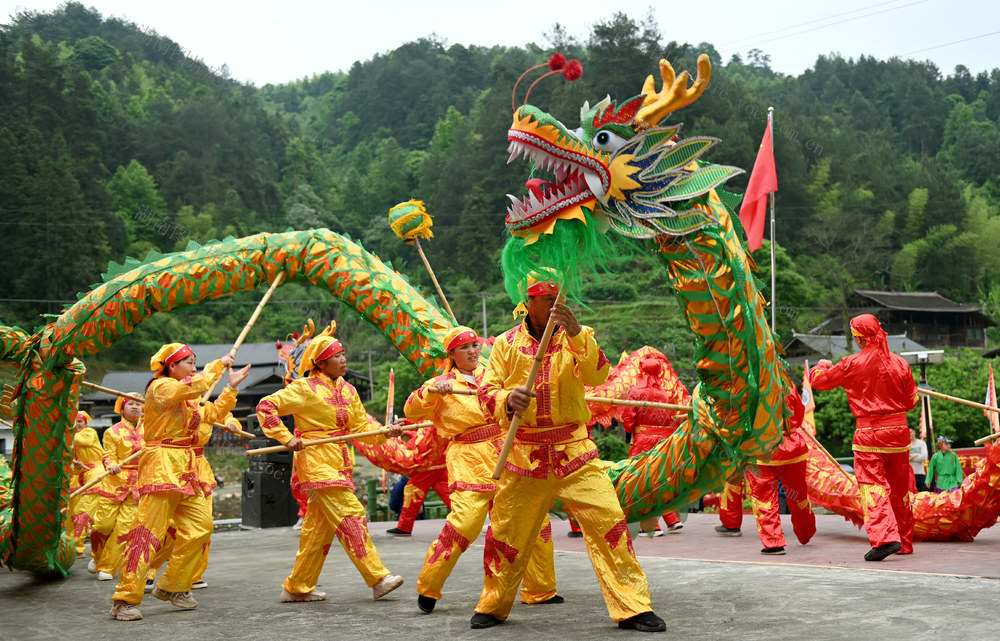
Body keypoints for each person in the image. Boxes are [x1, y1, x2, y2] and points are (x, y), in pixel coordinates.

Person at [473, 275, 665, 632]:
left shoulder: (579, 336)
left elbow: (598, 374)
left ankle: (633, 607)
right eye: (543, 297)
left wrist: (576, 333)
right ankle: (493, 604)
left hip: (575, 453)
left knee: (610, 523)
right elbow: (486, 390)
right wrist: (506, 399)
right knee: (505, 533)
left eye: (555, 295)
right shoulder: (505, 343)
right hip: (524, 455)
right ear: (528, 302)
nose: (551, 302)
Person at [404, 326, 559, 614]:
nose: (473, 351)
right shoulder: (440, 383)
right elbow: (411, 410)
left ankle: (540, 588)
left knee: (532, 516)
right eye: (464, 347)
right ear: (451, 354)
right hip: (469, 458)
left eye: (475, 345)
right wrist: (433, 392)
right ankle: (429, 585)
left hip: (505, 448)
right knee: (465, 523)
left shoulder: (491, 374)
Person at [256, 333, 405, 604]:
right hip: (315, 461)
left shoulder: (348, 389)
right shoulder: (304, 388)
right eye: (337, 355)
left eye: (343, 353)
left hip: (339, 461)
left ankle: (297, 587)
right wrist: (287, 437)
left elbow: (361, 427)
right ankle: (377, 578)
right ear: (321, 364)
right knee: (351, 514)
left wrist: (386, 431)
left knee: (317, 531)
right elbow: (266, 406)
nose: (344, 359)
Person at [109, 343, 249, 621]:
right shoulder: (161, 388)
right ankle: (124, 599)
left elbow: (210, 415)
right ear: (171, 366)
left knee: (201, 527)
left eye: (195, 362)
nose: (194, 367)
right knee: (147, 533)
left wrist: (231, 389)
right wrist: (218, 365)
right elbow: (197, 385)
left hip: (187, 469)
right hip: (162, 465)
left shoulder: (186, 398)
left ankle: (173, 586)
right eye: (189, 362)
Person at [810, 314, 918, 562]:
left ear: (859, 338)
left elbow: (819, 381)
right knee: (900, 490)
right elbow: (911, 402)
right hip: (898, 434)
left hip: (869, 434)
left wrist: (822, 365)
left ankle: (884, 538)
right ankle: (904, 541)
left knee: (873, 486)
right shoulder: (901, 364)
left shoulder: (850, 363)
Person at [746, 387, 816, 555]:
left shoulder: (751, 384)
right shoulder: (787, 384)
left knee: (763, 496)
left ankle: (773, 542)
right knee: (797, 493)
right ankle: (806, 532)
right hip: (792, 447)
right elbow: (799, 413)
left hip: (762, 448)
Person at [621, 358, 685, 536]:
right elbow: (670, 418)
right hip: (663, 441)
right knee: (660, 479)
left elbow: (627, 419)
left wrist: (630, 429)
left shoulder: (635, 392)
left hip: (643, 441)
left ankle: (651, 526)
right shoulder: (664, 394)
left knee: (642, 482)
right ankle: (672, 519)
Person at [89, 395, 144, 580]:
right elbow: (108, 455)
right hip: (115, 483)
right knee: (103, 526)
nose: (136, 407)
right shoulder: (112, 432)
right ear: (122, 408)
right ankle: (97, 557)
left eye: (139, 404)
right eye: (131, 404)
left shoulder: (152, 430)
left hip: (138, 485)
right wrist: (111, 464)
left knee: (124, 529)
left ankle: (107, 566)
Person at [66, 410, 104, 556]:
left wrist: (60, 432)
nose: (76, 424)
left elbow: (81, 440)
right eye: (73, 421)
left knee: (84, 511)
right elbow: (74, 467)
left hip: (98, 473)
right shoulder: (73, 442)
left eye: (79, 421)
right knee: (74, 511)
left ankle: (75, 544)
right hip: (83, 475)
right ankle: (74, 545)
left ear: (86, 423)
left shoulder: (89, 432)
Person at [909, 428, 929, 492]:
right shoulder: (906, 445)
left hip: (920, 474)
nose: (909, 434)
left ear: (914, 432)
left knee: (923, 495)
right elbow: (905, 459)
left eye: (910, 432)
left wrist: (911, 457)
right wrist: (917, 454)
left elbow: (924, 457)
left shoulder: (921, 443)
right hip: (909, 476)